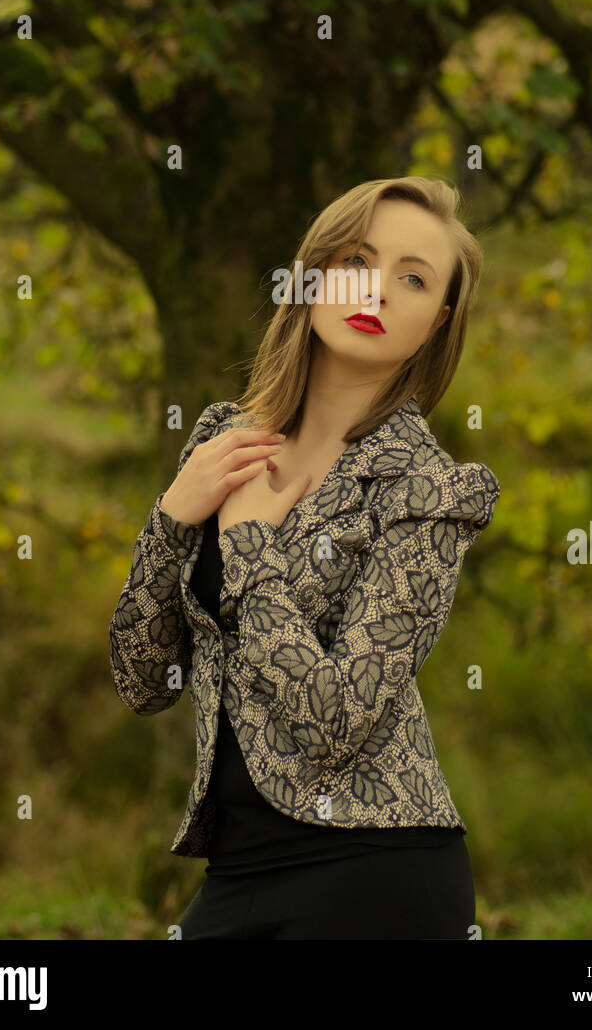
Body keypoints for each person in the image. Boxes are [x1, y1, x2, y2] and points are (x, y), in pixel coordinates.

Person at [109, 176, 501, 939]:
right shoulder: (224, 445)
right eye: (357, 260)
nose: (377, 292)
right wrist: (170, 522)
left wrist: (250, 543)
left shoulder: (429, 493)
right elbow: (142, 680)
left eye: (412, 278)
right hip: (236, 871)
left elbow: (333, 720)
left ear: (437, 322)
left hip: (376, 871)